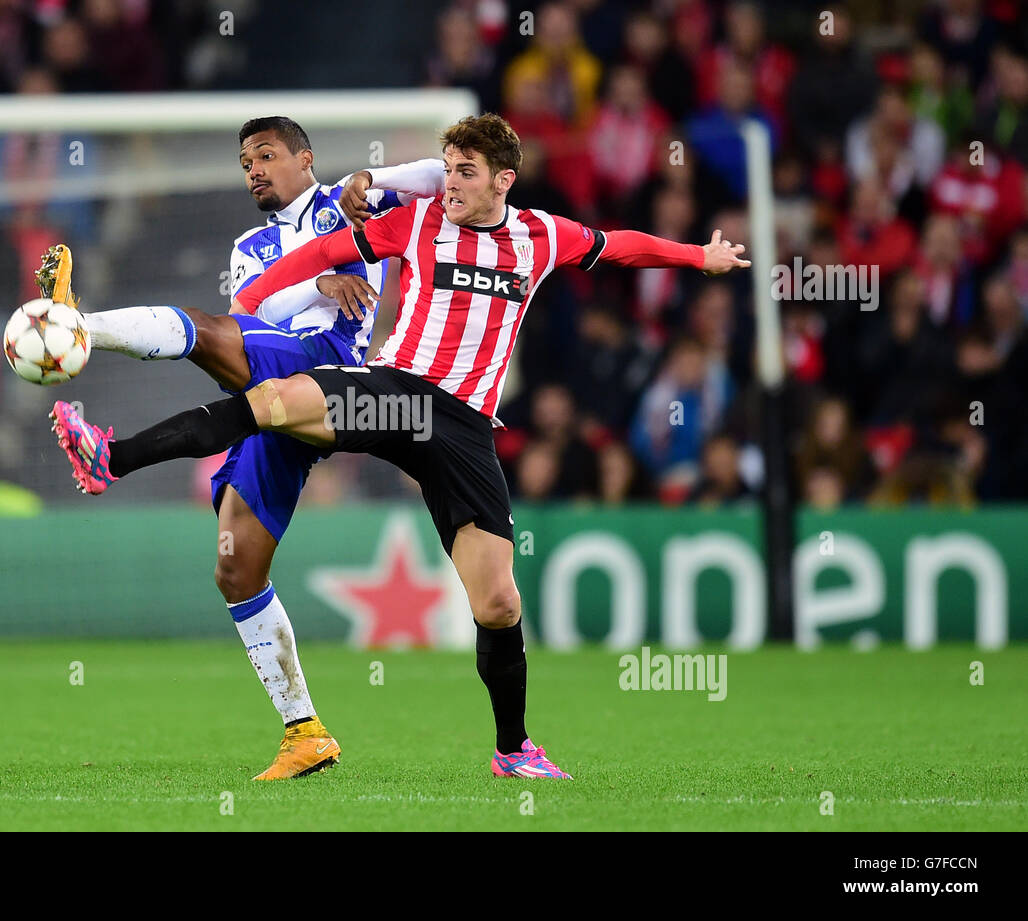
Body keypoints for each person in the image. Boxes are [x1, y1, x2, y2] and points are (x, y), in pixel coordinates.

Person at [53, 113, 750, 779]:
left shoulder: (541, 236)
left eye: (465, 172)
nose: (449, 183)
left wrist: (699, 256)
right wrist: (257, 294)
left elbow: (620, 243)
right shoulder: (416, 222)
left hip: (466, 428)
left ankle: (513, 749)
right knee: (269, 405)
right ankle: (111, 457)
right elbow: (327, 252)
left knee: (499, 603)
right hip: (397, 393)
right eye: (445, 169)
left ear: (504, 179)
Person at [44, 116, 442, 780]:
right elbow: (259, 310)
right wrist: (317, 283)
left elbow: (437, 176)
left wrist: (376, 178)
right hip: (279, 383)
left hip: (329, 367)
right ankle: (305, 732)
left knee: (207, 332)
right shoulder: (249, 246)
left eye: (266, 155)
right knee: (237, 569)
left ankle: (75, 325)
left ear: (305, 158)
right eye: (244, 161)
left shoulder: (348, 201)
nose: (254, 168)